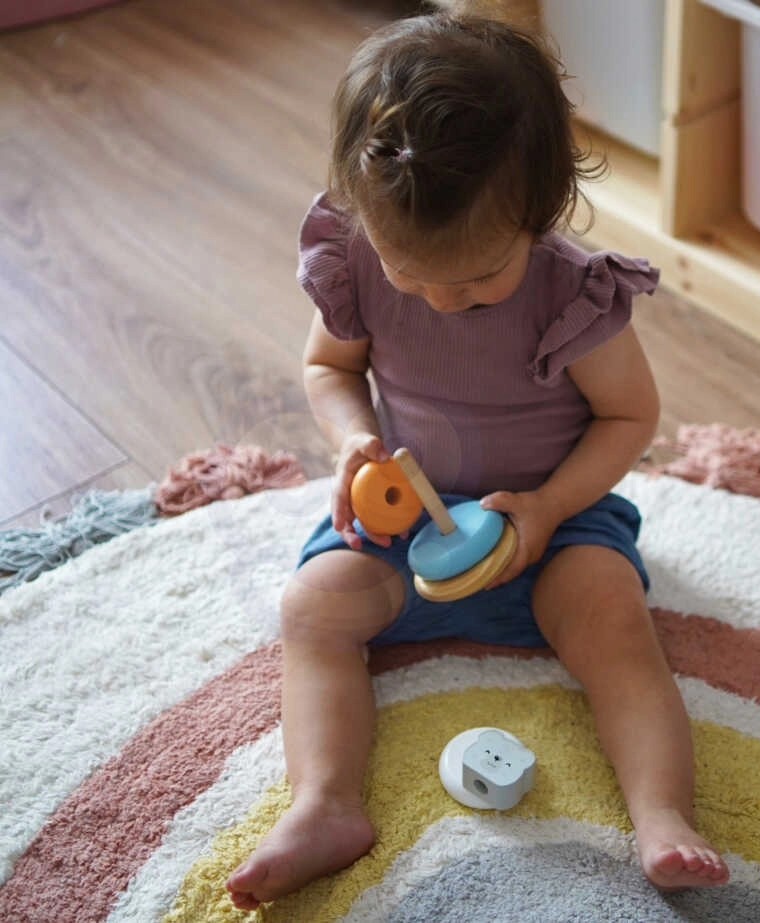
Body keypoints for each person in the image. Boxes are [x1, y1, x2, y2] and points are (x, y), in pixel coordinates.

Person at [227, 11, 729, 910]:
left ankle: (661, 813)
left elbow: (629, 416)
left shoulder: (570, 292)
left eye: (477, 281)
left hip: (552, 522)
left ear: (541, 213)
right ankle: (323, 803)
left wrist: (549, 505)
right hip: (404, 522)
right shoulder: (357, 258)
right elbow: (328, 368)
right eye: (411, 273)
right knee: (311, 607)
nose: (440, 299)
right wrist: (352, 440)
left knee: (614, 621)